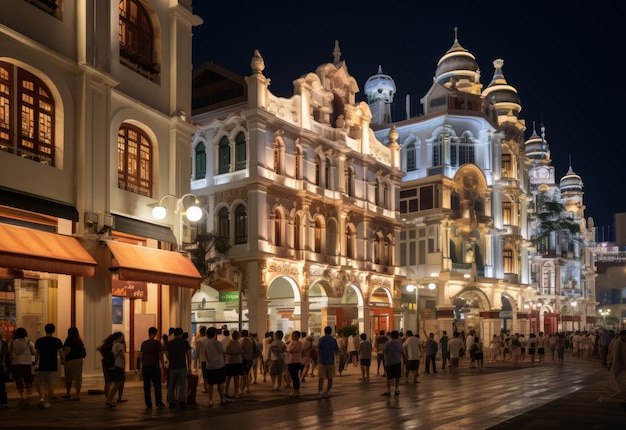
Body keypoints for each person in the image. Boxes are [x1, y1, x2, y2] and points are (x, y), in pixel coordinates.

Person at [34, 323, 65, 408]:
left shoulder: (39, 341)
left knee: (39, 382)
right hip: (53, 365)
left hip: (42, 365)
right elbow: (61, 353)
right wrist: (63, 360)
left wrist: (35, 363)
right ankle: (47, 401)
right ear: (53, 331)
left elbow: (37, 353)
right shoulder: (57, 341)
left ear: (45, 330)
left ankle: (42, 398)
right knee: (51, 384)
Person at [139, 326, 165, 409]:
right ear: (155, 334)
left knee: (146, 386)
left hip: (145, 366)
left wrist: (140, 367)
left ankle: (148, 403)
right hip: (154, 366)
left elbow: (141, 356)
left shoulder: (144, 343)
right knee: (157, 385)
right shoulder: (157, 343)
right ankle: (158, 402)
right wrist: (163, 364)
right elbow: (160, 355)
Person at [165, 327, 191, 408]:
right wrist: (189, 366)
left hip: (172, 366)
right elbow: (188, 355)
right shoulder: (185, 343)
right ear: (181, 334)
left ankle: (171, 401)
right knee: (182, 385)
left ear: (174, 334)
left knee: (171, 385)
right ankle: (181, 401)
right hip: (182, 366)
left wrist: (170, 359)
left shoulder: (170, 343)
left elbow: (166, 354)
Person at [203, 326, 229, 407]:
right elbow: (223, 352)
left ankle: (211, 400)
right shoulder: (217, 343)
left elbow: (206, 355)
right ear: (215, 334)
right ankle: (222, 399)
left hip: (210, 366)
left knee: (210, 384)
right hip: (219, 365)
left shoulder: (206, 343)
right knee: (220, 384)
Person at [9, 327, 35, 406]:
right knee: (28, 381)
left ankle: (22, 397)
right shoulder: (29, 342)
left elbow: (10, 353)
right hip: (26, 364)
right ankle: (28, 397)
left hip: (16, 364)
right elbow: (33, 352)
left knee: (18, 381)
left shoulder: (12, 342)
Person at [62, 327, 86, 401]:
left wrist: (63, 358)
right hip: (79, 360)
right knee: (77, 378)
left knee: (68, 377)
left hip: (70, 360)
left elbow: (67, 351)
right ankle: (77, 395)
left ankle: (68, 392)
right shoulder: (79, 340)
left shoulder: (69, 340)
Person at [104, 331, 126, 407]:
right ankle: (109, 399)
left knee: (116, 383)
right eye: (122, 337)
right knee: (116, 383)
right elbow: (122, 355)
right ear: (119, 337)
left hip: (115, 365)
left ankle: (109, 399)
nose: (123, 338)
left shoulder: (114, 344)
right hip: (118, 366)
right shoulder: (119, 345)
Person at [317, 326, 338, 398]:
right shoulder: (333, 340)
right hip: (331, 360)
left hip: (322, 360)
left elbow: (319, 349)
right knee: (330, 377)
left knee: (321, 377)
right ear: (331, 331)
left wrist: (318, 357)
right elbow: (336, 350)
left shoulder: (321, 339)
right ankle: (328, 391)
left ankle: (320, 391)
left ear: (324, 331)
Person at [382, 330, 403, 396]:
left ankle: (388, 390)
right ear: (397, 336)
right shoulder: (399, 343)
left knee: (389, 377)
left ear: (391, 336)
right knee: (397, 377)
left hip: (389, 362)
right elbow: (401, 351)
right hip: (397, 362)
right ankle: (396, 389)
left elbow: (384, 351)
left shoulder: (387, 343)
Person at [224, 330, 243, 399]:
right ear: (237, 336)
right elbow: (228, 351)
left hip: (230, 362)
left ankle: (226, 392)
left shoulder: (230, 342)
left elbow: (227, 351)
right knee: (236, 378)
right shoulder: (235, 343)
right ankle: (235, 393)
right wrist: (237, 352)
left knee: (229, 378)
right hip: (235, 362)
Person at [608, 329, 626, 402]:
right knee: (616, 379)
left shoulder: (623, 342)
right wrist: (610, 362)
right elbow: (615, 354)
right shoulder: (617, 342)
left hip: (623, 365)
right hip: (617, 364)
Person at [286, 330, 302, 396]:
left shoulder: (295, 343)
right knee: (294, 376)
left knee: (294, 376)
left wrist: (289, 345)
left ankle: (296, 391)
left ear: (297, 336)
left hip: (293, 361)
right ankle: (296, 390)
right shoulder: (298, 343)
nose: (292, 337)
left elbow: (290, 350)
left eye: (294, 335)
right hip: (295, 360)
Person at [194, 326, 208, 394]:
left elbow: (197, 352)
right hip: (211, 360)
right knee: (209, 373)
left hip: (203, 359)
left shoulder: (200, 340)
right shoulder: (210, 339)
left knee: (205, 374)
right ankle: (209, 386)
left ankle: (205, 388)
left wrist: (194, 364)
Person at [239, 329, 254, 395]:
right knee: (246, 374)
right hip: (250, 359)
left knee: (243, 375)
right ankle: (247, 388)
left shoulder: (242, 340)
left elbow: (240, 349)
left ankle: (241, 389)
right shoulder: (250, 341)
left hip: (243, 359)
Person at [0, 330, 10, 408]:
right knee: (1, 384)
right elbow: (6, 355)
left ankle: (3, 401)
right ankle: (3, 402)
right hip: (1, 365)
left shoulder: (3, 343)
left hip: (1, 365)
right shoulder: (3, 343)